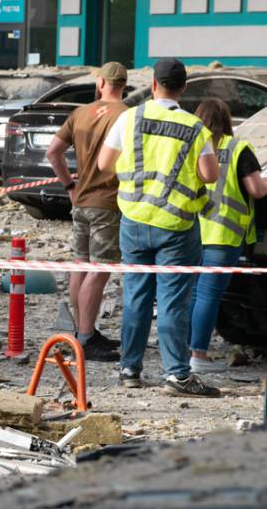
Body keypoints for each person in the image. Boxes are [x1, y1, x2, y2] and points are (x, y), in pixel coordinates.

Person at [97, 57, 220, 396]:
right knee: (172, 301)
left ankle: (129, 369)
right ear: (183, 87)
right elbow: (210, 175)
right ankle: (177, 374)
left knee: (135, 296)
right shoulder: (194, 126)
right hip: (176, 225)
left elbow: (104, 163)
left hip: (134, 219)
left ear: (153, 85)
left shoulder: (129, 117)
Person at [44, 62, 128, 362]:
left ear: (101, 83)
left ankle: (83, 331)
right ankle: (86, 337)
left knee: (81, 265)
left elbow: (53, 152)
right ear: (123, 85)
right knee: (100, 269)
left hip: (80, 201)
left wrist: (69, 185)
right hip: (108, 201)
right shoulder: (126, 115)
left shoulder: (80, 113)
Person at [189, 99, 267, 373]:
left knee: (195, 294)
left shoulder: (191, 147)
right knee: (209, 296)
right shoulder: (237, 149)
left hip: (192, 231)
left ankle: (185, 352)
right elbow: (257, 190)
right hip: (224, 233)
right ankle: (198, 355)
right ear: (226, 119)